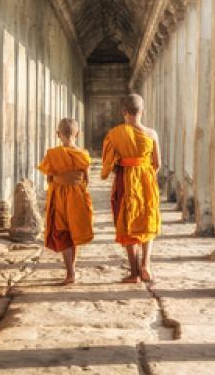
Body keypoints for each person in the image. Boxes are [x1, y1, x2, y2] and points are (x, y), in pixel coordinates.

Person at [101, 93, 161, 283]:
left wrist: (125, 168)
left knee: (127, 222)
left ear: (124, 112)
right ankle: (146, 266)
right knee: (147, 221)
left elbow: (108, 164)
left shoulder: (114, 134)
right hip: (147, 181)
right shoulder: (152, 134)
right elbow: (157, 163)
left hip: (124, 181)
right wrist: (144, 174)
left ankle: (134, 273)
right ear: (143, 111)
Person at [37, 118, 94, 285]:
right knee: (74, 232)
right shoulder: (83, 155)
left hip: (60, 198)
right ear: (78, 134)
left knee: (63, 233)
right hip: (77, 198)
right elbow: (87, 180)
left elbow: (49, 178)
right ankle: (73, 270)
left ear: (57, 134)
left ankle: (70, 272)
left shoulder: (52, 154)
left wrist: (60, 182)